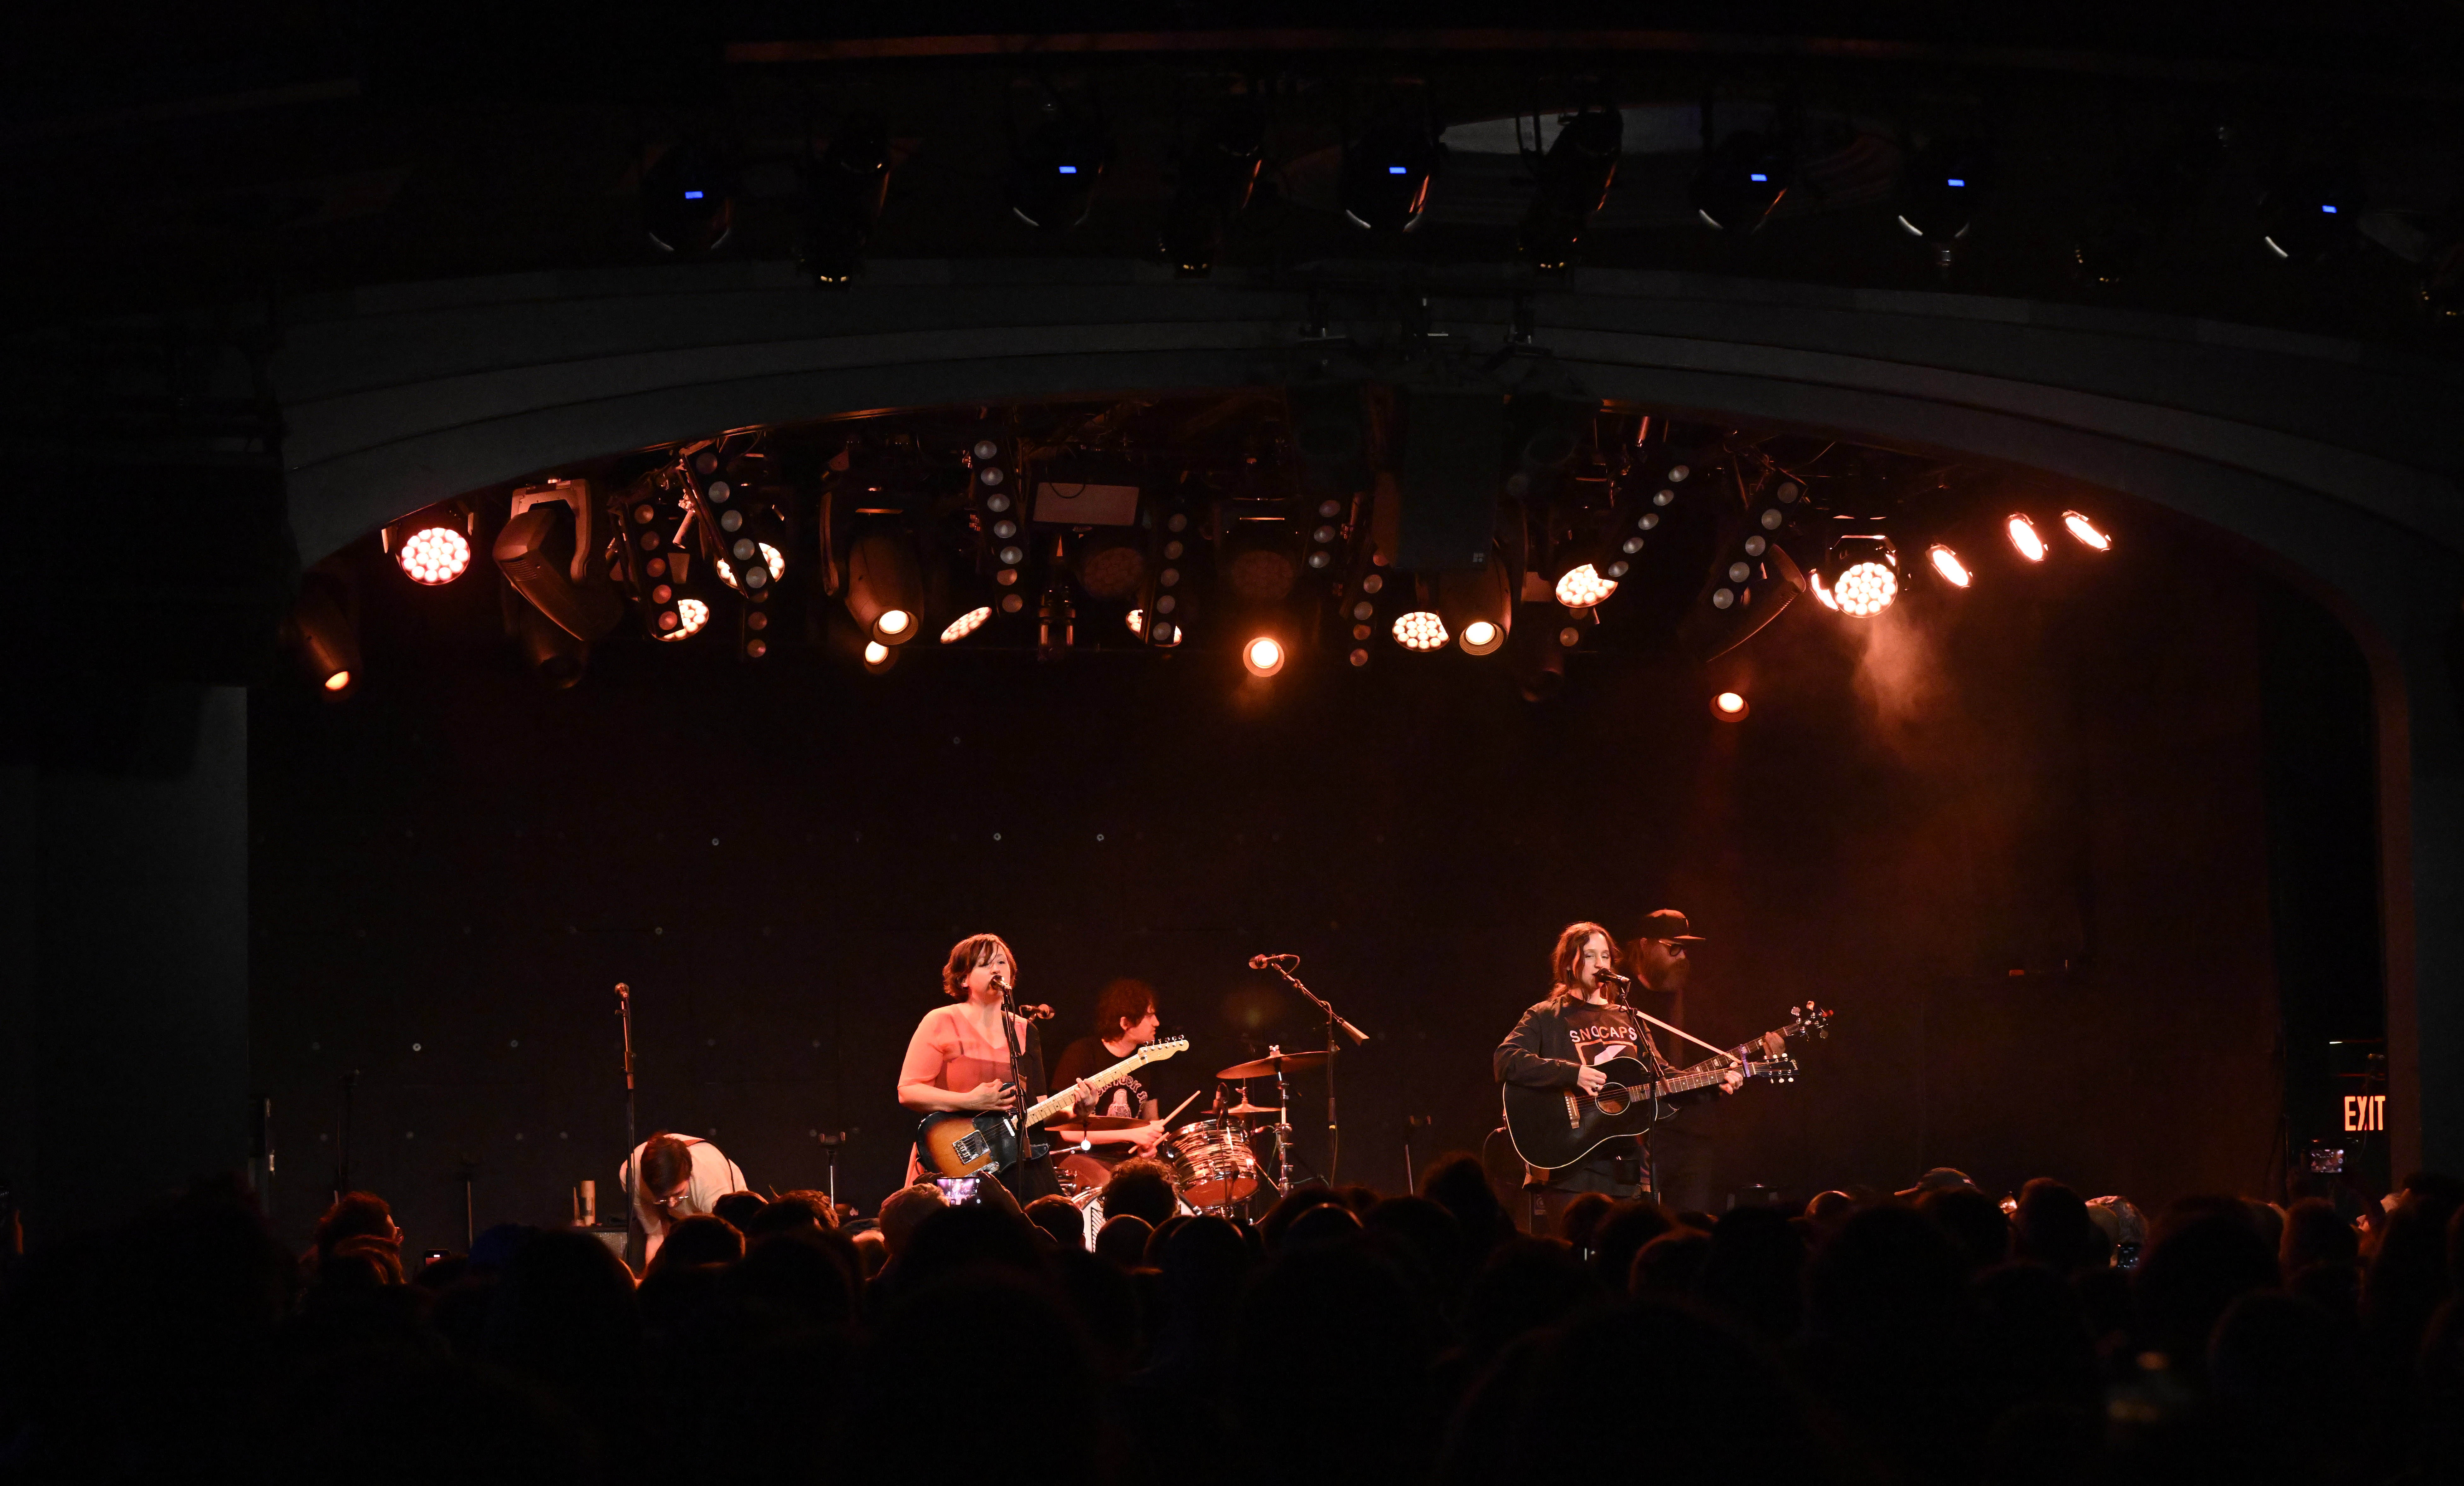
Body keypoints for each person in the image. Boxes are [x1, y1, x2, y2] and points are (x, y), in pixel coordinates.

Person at [1496, 921, 1745, 1233]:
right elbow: (1505, 1059)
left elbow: (1662, 1080)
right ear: (1568, 964)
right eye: (1589, 955)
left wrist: (1713, 1084)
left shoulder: (1629, 1018)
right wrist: (1572, 1073)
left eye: (1605, 956)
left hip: (1624, 1170)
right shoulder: (1546, 1015)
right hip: (1569, 1165)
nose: (1600, 963)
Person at [897, 932, 1084, 1201]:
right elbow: (909, 1091)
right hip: (958, 1159)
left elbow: (1038, 1108)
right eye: (985, 965)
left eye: (1001, 963)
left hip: (1017, 1162)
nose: (996, 969)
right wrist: (969, 1101)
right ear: (964, 979)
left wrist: (1077, 1111)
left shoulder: (1025, 1030)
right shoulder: (940, 1020)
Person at [1619, 909, 1781, 1214]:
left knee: (1691, 1225)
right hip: (1635, 1135)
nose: (1682, 956)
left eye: (1686, 949)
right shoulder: (1618, 995)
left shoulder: (1699, 999)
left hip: (1693, 1136)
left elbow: (1731, 1056)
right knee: (1638, 1223)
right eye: (1673, 947)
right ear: (1644, 945)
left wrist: (1764, 1055)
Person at [1048, 978, 1172, 1189]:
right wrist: (1132, 1134)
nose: (1157, 1023)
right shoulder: (1082, 1054)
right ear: (1125, 1023)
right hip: (1079, 1157)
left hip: (1128, 1161)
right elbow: (1068, 1132)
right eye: (1149, 1015)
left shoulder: (1148, 1061)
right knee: (1114, 1187)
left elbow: (1151, 1120)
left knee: (1167, 1185)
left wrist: (1148, 1145)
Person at [616, 1131, 748, 1268]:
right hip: (679, 1218)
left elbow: (726, 1245)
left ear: (689, 1176)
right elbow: (656, 1236)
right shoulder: (632, 1176)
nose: (672, 1204)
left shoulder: (710, 1181)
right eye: (663, 1198)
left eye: (678, 1194)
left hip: (726, 1216)